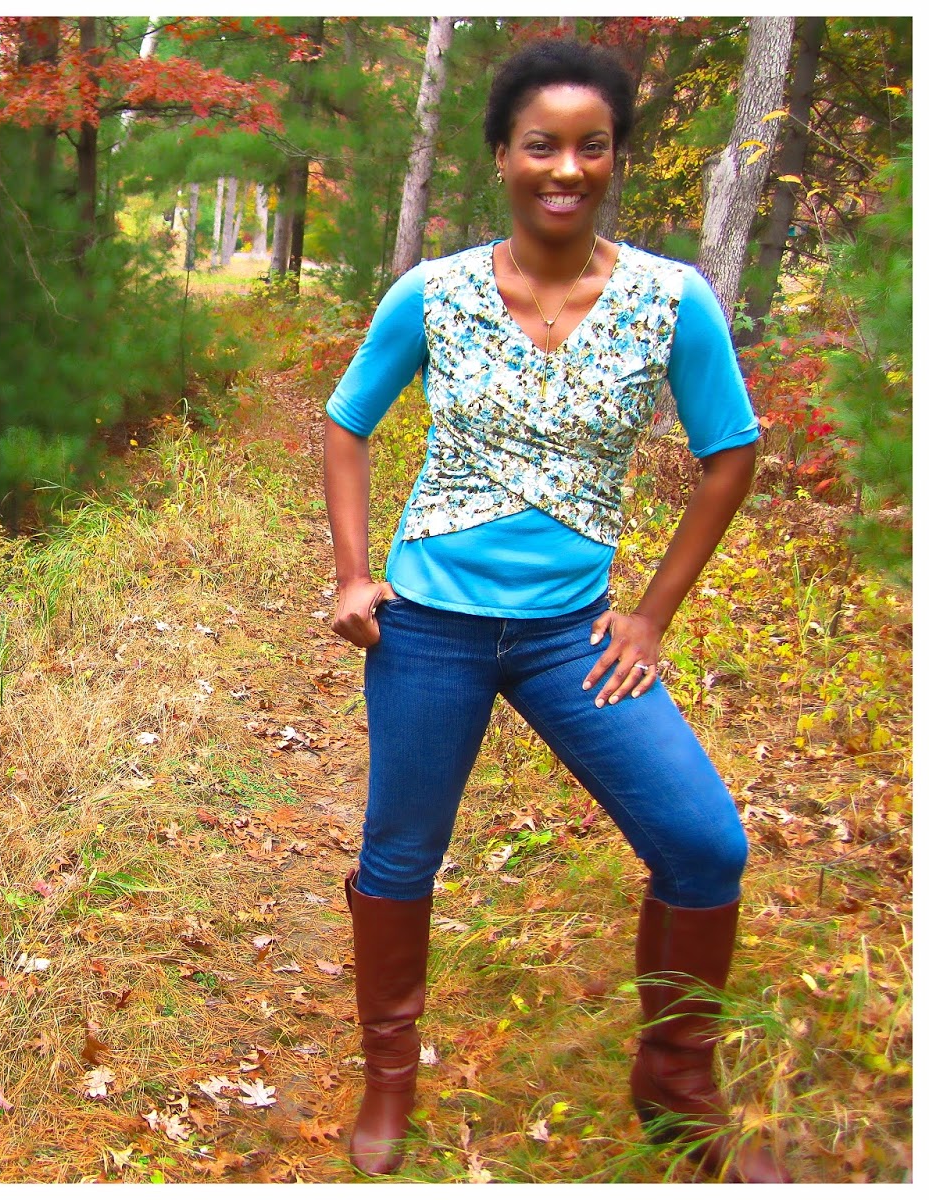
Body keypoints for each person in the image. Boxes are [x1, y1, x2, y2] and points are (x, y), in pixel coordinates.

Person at [321, 40, 789, 1183]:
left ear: (615, 158)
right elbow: (346, 423)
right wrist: (350, 572)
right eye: (542, 145)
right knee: (400, 854)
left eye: (591, 146)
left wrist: (650, 617)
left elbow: (730, 455)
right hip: (426, 628)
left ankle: (674, 1085)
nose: (565, 168)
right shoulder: (431, 294)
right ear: (502, 156)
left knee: (702, 842)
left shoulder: (669, 301)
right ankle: (389, 1076)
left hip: (567, 638)